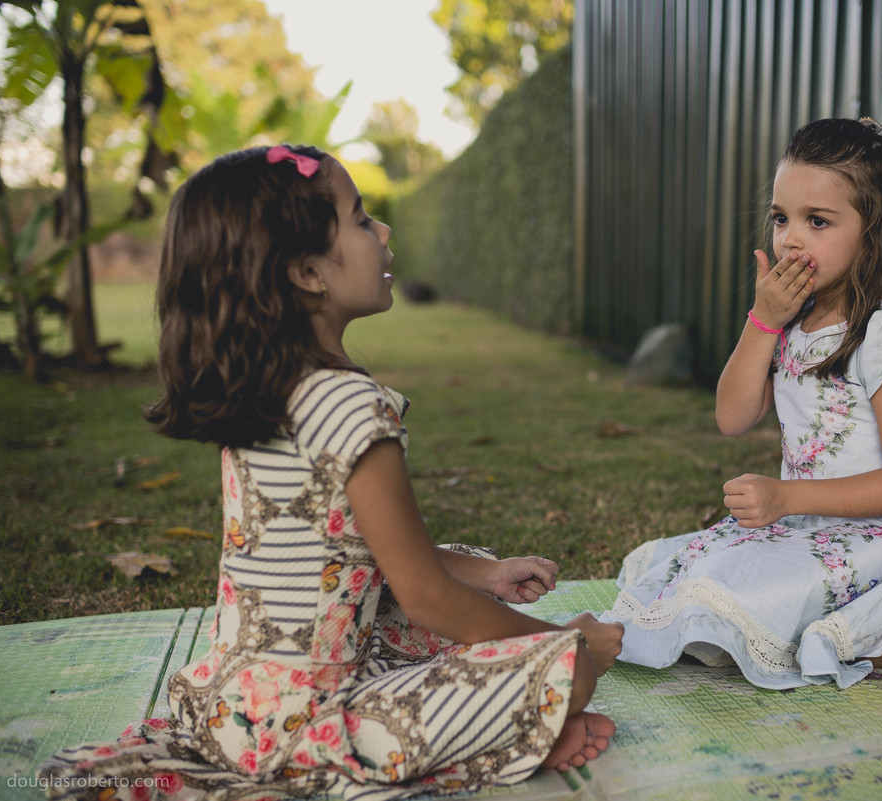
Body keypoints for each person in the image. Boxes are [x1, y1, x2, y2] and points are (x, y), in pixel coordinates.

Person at [38, 145, 623, 800]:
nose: (385, 232)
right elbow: (426, 593)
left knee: (467, 594)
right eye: (363, 218)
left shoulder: (262, 397)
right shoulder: (354, 406)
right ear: (309, 271)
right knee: (563, 673)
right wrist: (566, 643)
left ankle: (513, 722)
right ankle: (517, 734)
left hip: (228, 706)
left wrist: (487, 574)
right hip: (307, 725)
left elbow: (360, 553)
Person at [599, 118, 882, 689]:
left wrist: (786, 495)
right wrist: (763, 322)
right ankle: (870, 636)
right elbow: (732, 418)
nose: (790, 238)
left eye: (817, 221)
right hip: (802, 525)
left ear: (876, 231)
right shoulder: (791, 322)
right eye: (782, 218)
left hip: (877, 540)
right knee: (690, 581)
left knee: (753, 608)